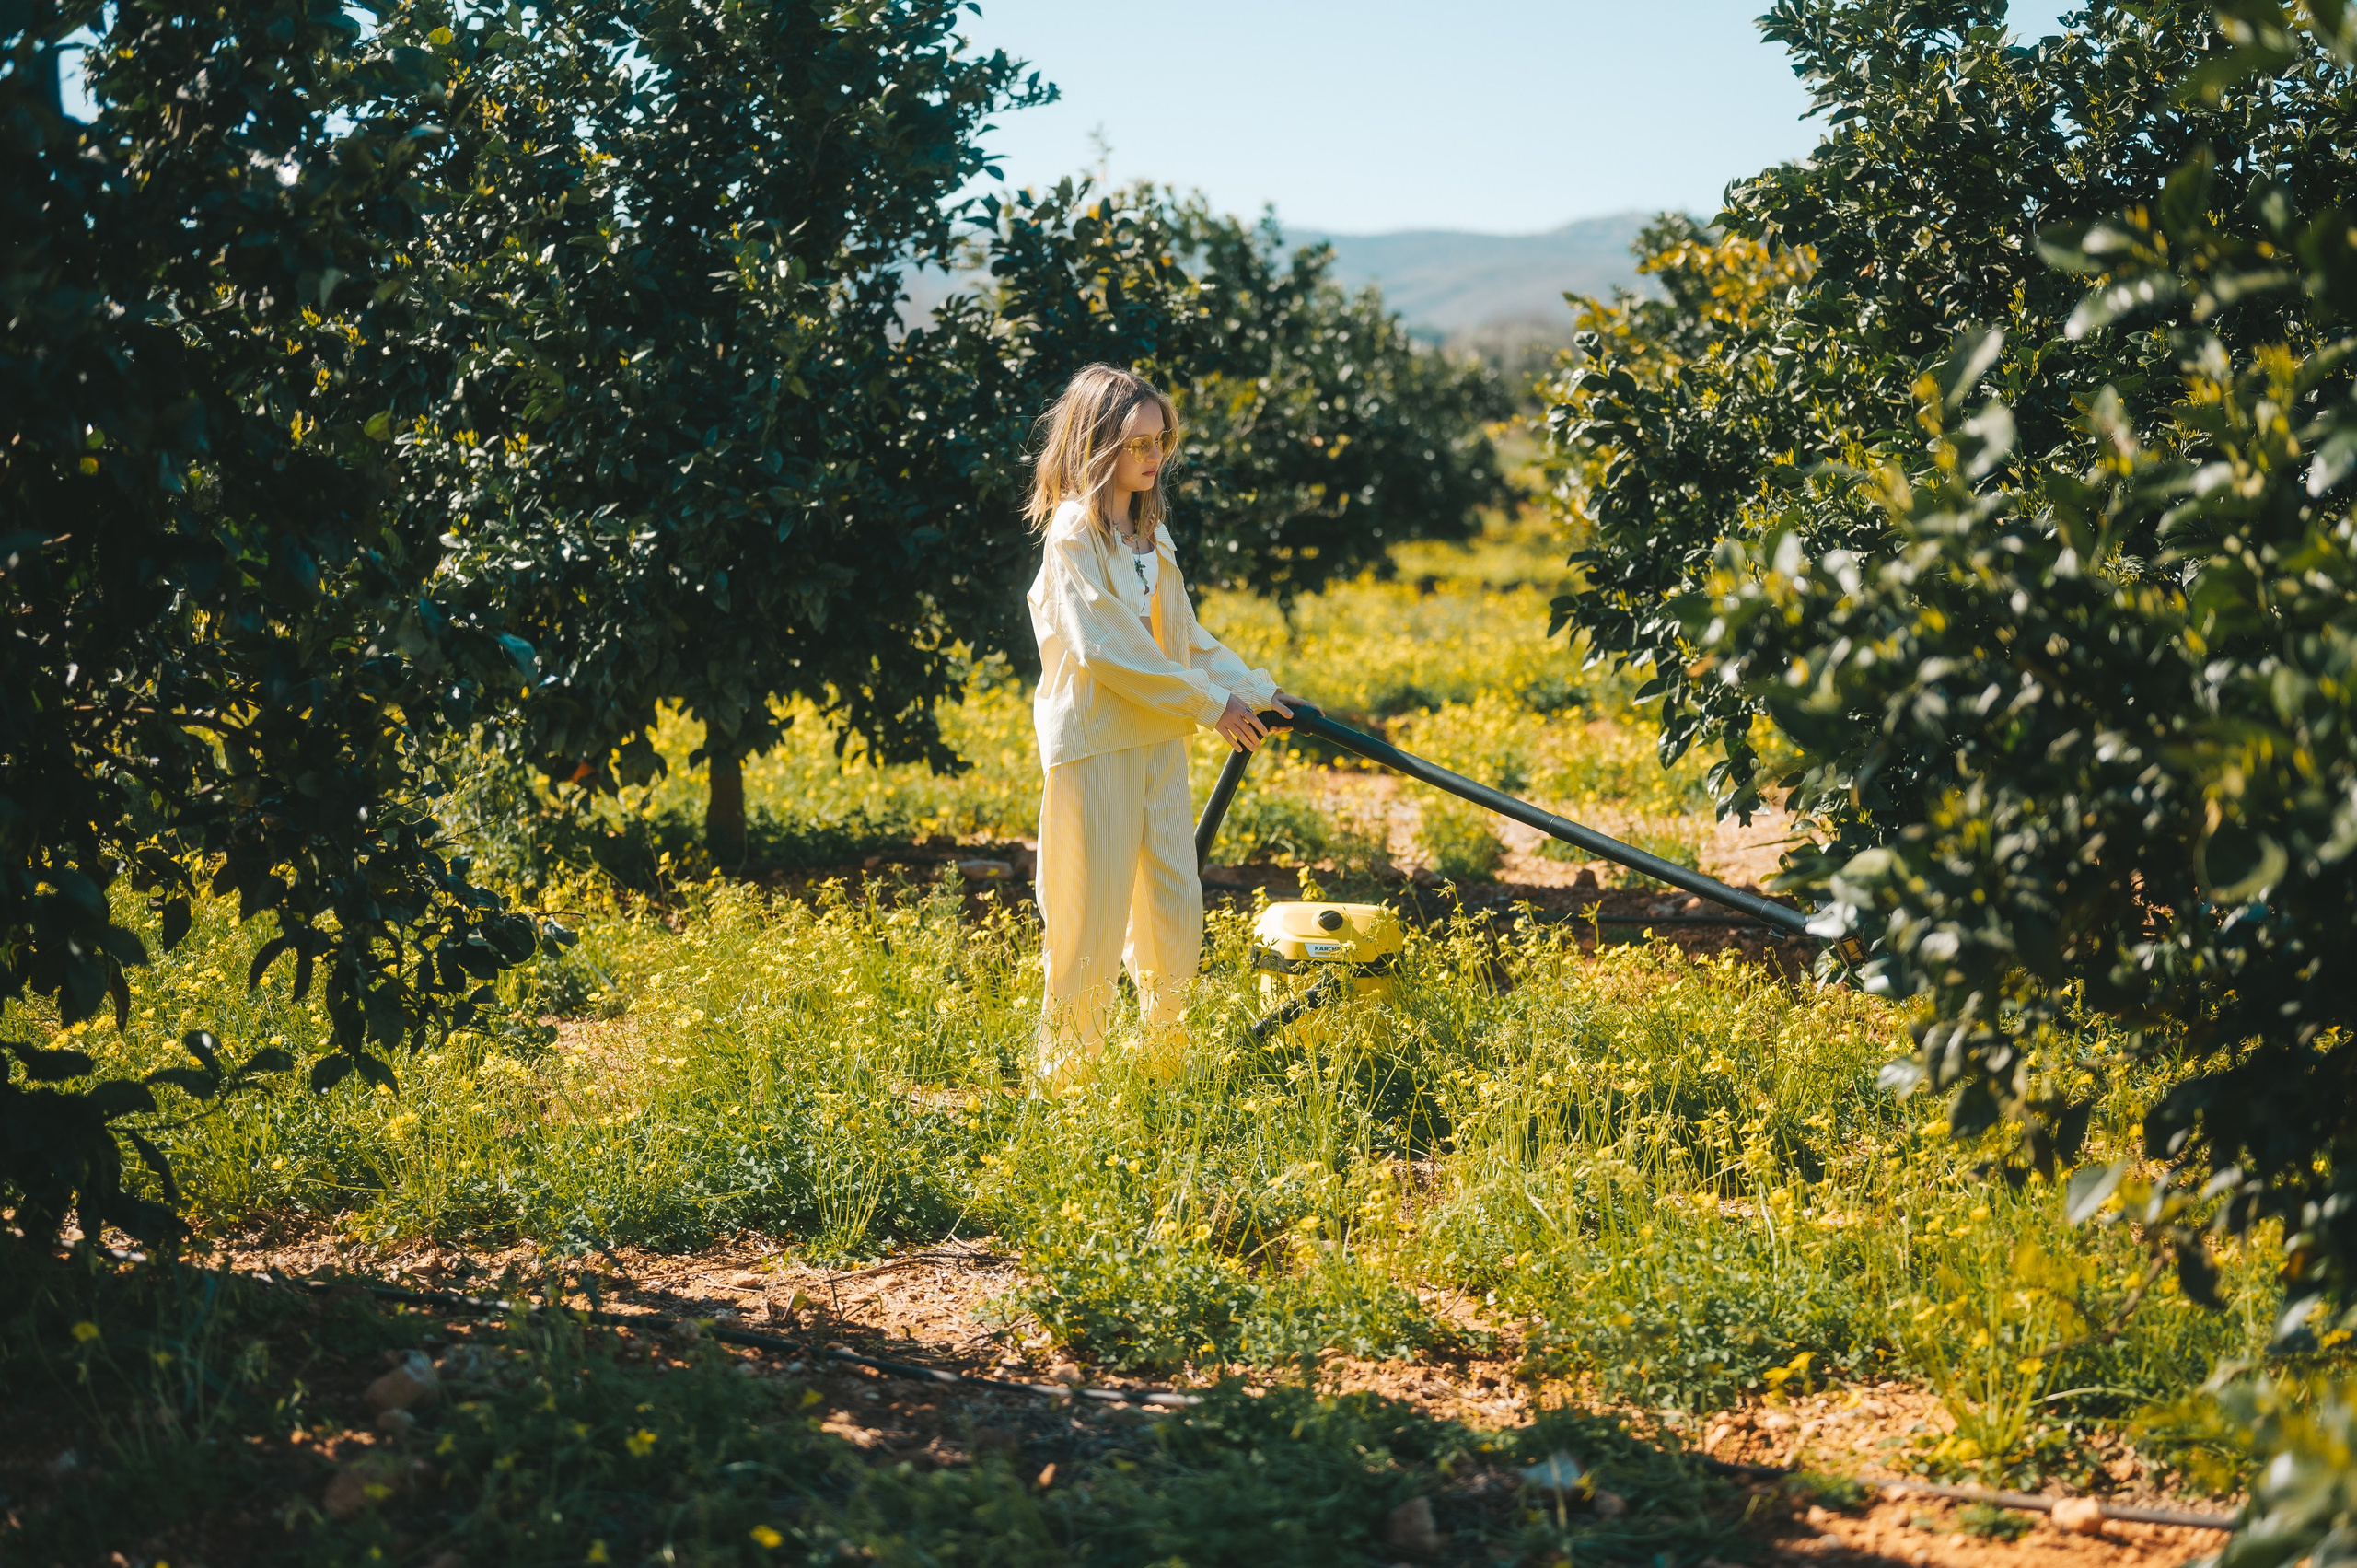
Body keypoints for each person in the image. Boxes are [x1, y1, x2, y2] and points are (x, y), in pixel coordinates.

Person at [1025, 363, 1296, 1085]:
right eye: (1138, 443)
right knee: (1090, 920)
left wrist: (1258, 690)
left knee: (1173, 911)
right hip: (1097, 745)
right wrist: (1211, 705)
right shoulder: (1075, 533)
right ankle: (1069, 1086)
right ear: (1097, 444)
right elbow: (1107, 647)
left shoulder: (1150, 531)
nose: (1154, 456)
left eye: (1160, 441)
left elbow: (1182, 639)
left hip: (1157, 742)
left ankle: (1165, 1074)